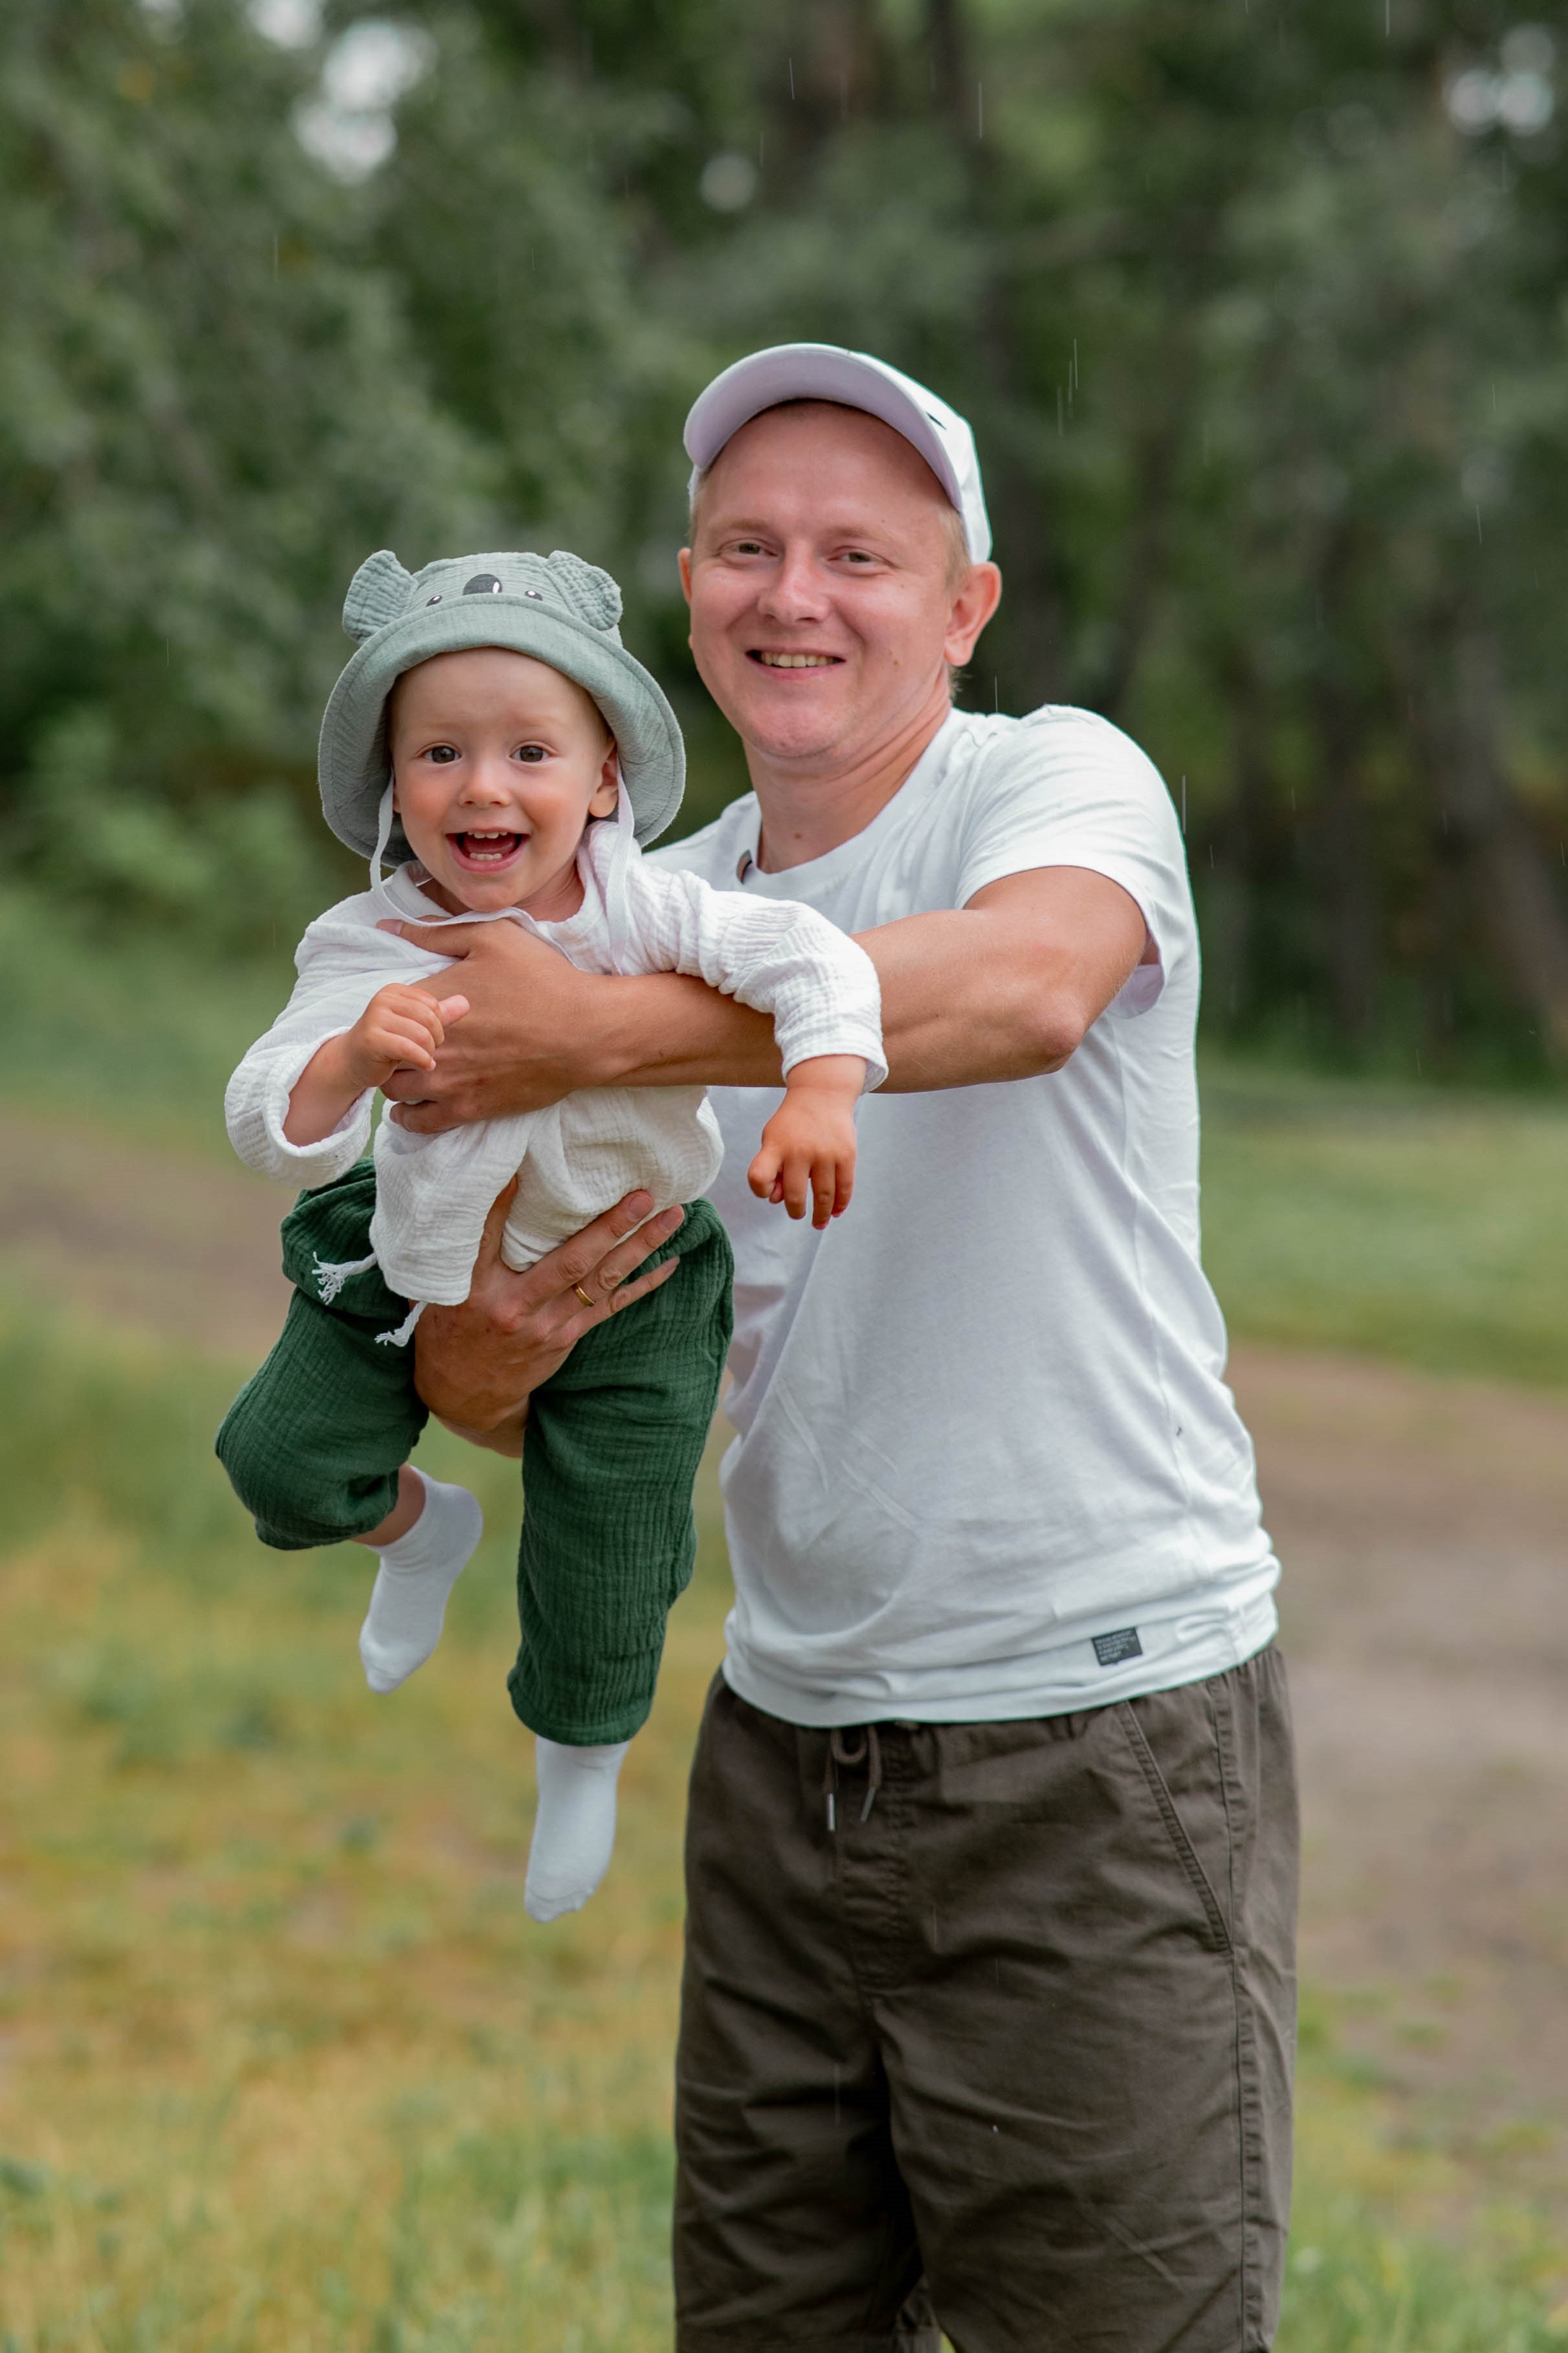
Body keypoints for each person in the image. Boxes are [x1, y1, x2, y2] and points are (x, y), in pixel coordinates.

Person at [379, 347, 1298, 2353]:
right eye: (749, 547)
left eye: (861, 555)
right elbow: (586, 1353)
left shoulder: (1052, 783)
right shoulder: (642, 907)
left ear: (962, 608)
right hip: (786, 1751)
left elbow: (1032, 988)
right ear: (690, 589)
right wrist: (469, 1371)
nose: (797, 595)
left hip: (1098, 1735)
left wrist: (598, 1030)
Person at [215, 543, 883, 1924]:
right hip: (407, 1253)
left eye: (531, 751)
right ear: (395, 791)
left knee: (612, 1553)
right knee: (274, 1463)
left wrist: (823, 1085)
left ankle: (579, 1761)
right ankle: (416, 1533)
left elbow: (809, 958)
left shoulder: (648, 913)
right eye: (441, 753)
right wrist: (346, 1059)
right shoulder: (369, 940)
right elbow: (266, 1114)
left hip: (635, 1262)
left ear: (602, 784)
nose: (484, 786)